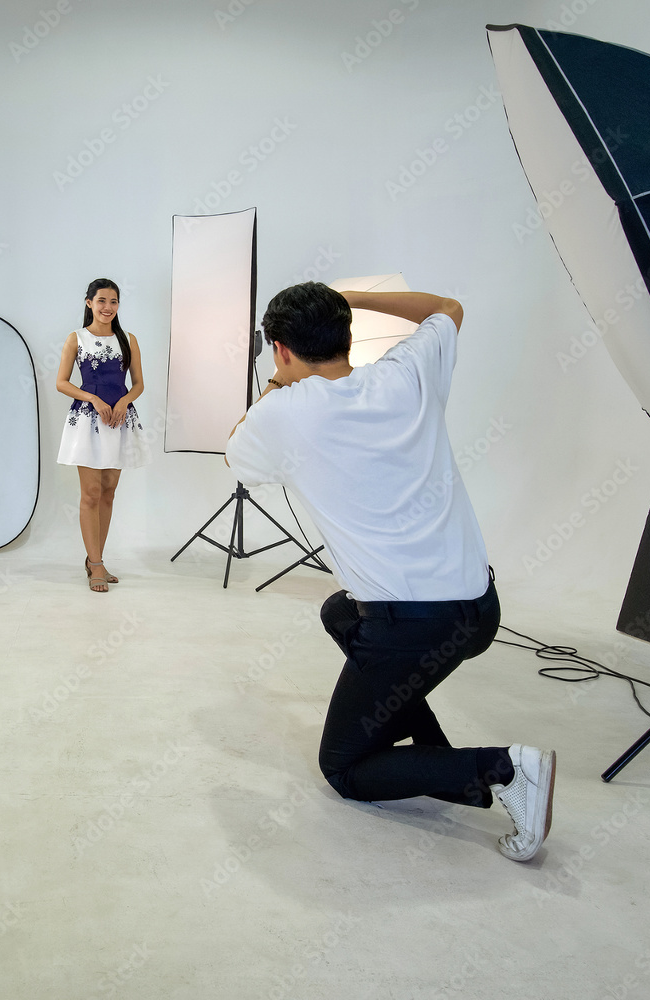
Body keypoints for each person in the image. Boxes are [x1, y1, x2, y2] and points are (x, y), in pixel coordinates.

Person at [225, 282, 556, 862]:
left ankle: (503, 769)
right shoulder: (405, 373)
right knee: (337, 610)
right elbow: (450, 308)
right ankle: (426, 750)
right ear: (345, 331)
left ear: (279, 349)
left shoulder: (280, 413)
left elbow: (236, 449)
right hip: (479, 610)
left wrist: (278, 383)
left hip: (413, 627)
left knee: (344, 769)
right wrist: (347, 294)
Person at [57, 278, 150, 592]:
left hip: (120, 419)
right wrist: (93, 398)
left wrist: (125, 400)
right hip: (89, 419)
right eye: (101, 301)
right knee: (91, 493)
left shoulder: (128, 339)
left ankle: (96, 557)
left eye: (113, 301)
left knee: (109, 491)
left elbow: (138, 383)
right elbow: (62, 382)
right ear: (89, 303)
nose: (107, 307)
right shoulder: (76, 338)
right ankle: (95, 565)